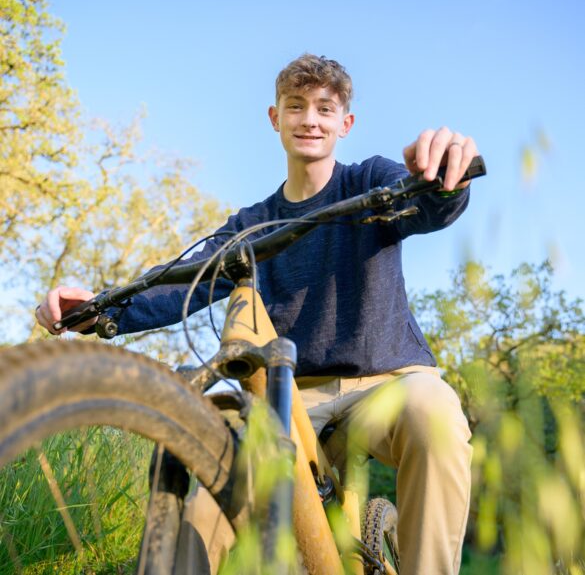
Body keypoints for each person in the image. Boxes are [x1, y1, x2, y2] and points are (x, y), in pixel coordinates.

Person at [36, 54, 477, 575]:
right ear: (275, 118)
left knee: (436, 413)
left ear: (344, 124)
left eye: (324, 108)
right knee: (211, 497)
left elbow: (431, 204)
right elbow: (183, 282)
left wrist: (448, 174)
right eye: (296, 106)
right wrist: (99, 310)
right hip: (292, 401)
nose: (309, 119)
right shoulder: (252, 226)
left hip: (387, 383)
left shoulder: (370, 183)